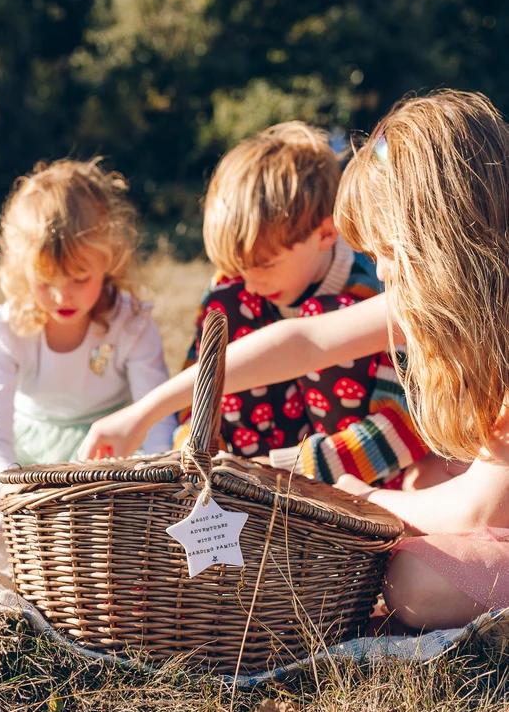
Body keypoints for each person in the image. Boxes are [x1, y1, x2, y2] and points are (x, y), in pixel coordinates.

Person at [80, 90, 509, 630]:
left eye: (390, 255)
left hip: (488, 505)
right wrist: (141, 412)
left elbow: (478, 510)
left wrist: (364, 497)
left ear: (442, 243)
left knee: (414, 583)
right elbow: (301, 342)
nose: (380, 275)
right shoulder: (455, 297)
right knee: (425, 495)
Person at [172, 121, 426, 485]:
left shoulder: (372, 291)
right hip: (245, 466)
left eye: (265, 264)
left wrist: (290, 471)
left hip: (342, 476)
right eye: (238, 266)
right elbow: (189, 398)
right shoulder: (235, 291)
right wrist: (192, 453)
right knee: (225, 303)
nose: (252, 282)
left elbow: (409, 422)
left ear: (325, 233)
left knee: (326, 315)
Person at [0, 158, 176, 506]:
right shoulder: (5, 330)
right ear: (22, 270)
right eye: (46, 282)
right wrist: (9, 494)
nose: (63, 296)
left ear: (108, 260)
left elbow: (156, 419)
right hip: (26, 455)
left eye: (80, 279)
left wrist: (159, 487)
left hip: (111, 452)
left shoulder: (131, 323)